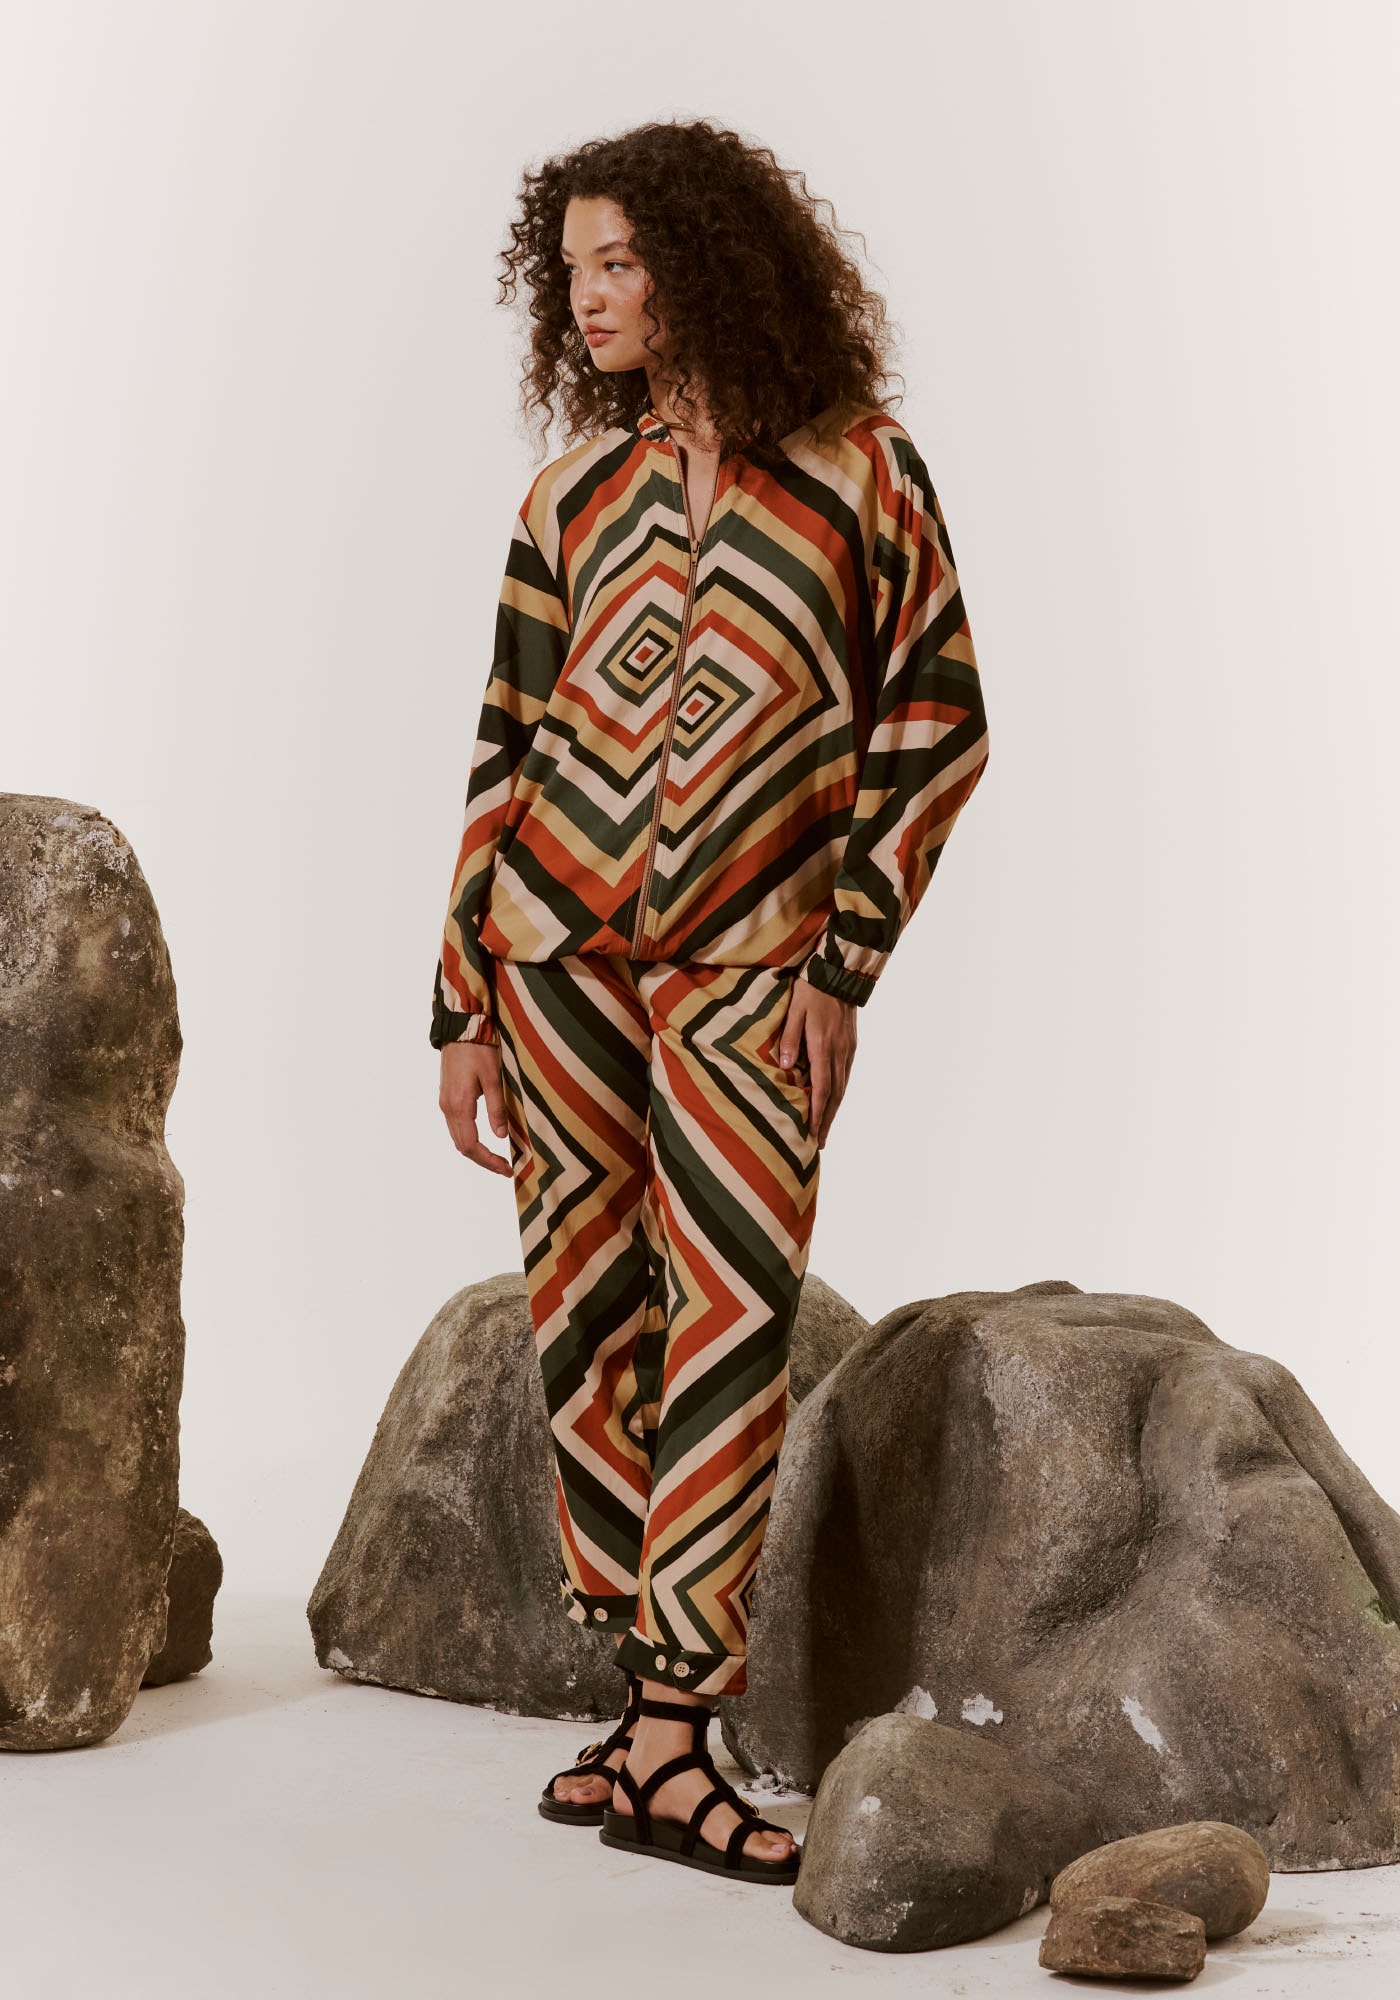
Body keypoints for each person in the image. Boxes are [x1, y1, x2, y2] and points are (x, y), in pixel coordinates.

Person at [432, 117, 989, 1884]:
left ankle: (681, 1723)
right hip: (553, 957)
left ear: (706, 266)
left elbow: (936, 723)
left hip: (755, 964)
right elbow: (507, 749)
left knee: (733, 1317)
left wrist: (847, 958)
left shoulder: (860, 474)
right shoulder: (567, 502)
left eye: (622, 263)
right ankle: (643, 1719)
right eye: (573, 270)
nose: (589, 298)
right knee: (587, 1329)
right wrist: (460, 1003)